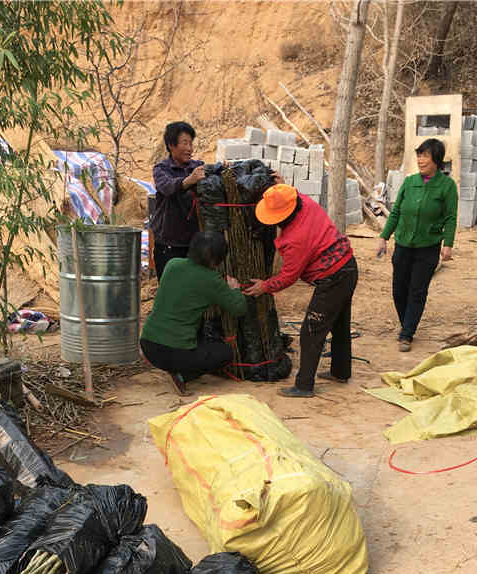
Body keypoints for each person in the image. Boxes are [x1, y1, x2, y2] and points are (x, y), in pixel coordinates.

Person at [244, 183, 358, 398]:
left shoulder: (295, 239)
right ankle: (340, 372)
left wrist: (264, 286)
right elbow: (291, 194)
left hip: (333, 279)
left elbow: (288, 276)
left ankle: (304, 386)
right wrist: (279, 191)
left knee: (311, 331)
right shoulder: (305, 202)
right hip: (348, 267)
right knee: (339, 325)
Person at [376, 138, 458, 352]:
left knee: (417, 291)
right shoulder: (409, 182)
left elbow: (450, 217)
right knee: (398, 290)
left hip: (428, 247)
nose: (420, 160)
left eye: (425, 156)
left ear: (436, 160)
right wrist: (384, 237)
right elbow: (396, 212)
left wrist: (448, 244)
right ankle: (407, 323)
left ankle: (407, 333)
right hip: (403, 244)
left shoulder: (447, 186)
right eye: (419, 155)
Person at [140, 231, 246, 395]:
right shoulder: (212, 280)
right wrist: (235, 289)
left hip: (148, 344)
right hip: (174, 352)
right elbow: (239, 308)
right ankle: (182, 375)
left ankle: (175, 366)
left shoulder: (173, 264)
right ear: (216, 260)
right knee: (225, 353)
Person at [150, 121, 206, 280]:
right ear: (171, 145)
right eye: (185, 143)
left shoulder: (197, 167)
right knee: (170, 286)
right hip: (168, 243)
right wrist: (189, 180)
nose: (190, 148)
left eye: (191, 143)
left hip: (193, 242)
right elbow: (167, 187)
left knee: (191, 287)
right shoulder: (161, 169)